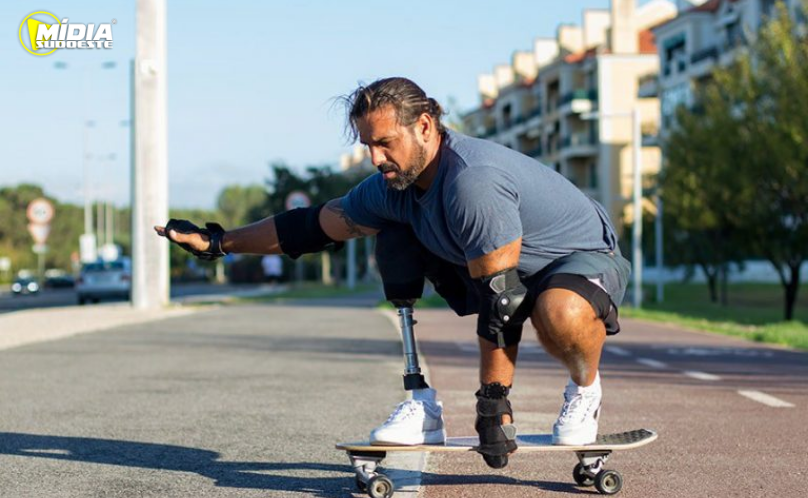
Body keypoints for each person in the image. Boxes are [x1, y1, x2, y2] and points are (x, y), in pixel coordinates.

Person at [155, 77, 630, 469]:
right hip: (502, 272)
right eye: (367, 145)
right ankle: (422, 405)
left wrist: (492, 404)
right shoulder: (393, 185)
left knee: (557, 311)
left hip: (574, 260)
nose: (376, 158)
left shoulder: (472, 183)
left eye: (385, 143)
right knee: (394, 233)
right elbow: (310, 227)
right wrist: (218, 242)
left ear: (424, 126)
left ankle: (584, 391)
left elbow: (499, 303)